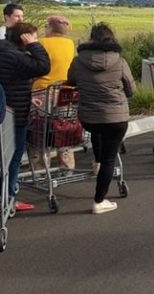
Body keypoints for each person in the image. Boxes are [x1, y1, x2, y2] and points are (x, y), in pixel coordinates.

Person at [67, 23, 134, 214]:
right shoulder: (119, 61)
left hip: (89, 118)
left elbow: (71, 81)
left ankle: (97, 162)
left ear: (91, 39)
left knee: (97, 132)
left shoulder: (78, 61)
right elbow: (131, 89)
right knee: (109, 159)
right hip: (116, 118)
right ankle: (99, 200)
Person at [0, 23, 51, 213]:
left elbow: (10, 81)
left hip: (8, 106)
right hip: (14, 114)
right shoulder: (17, 56)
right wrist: (34, 45)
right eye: (34, 37)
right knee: (13, 158)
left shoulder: (4, 50)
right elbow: (44, 66)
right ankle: (8, 199)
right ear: (25, 38)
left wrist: (29, 96)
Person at [31, 15, 76, 171]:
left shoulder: (41, 43)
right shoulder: (70, 44)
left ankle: (40, 168)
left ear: (50, 28)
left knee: (41, 131)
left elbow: (34, 67)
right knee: (64, 129)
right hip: (65, 92)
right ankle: (67, 165)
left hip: (43, 91)